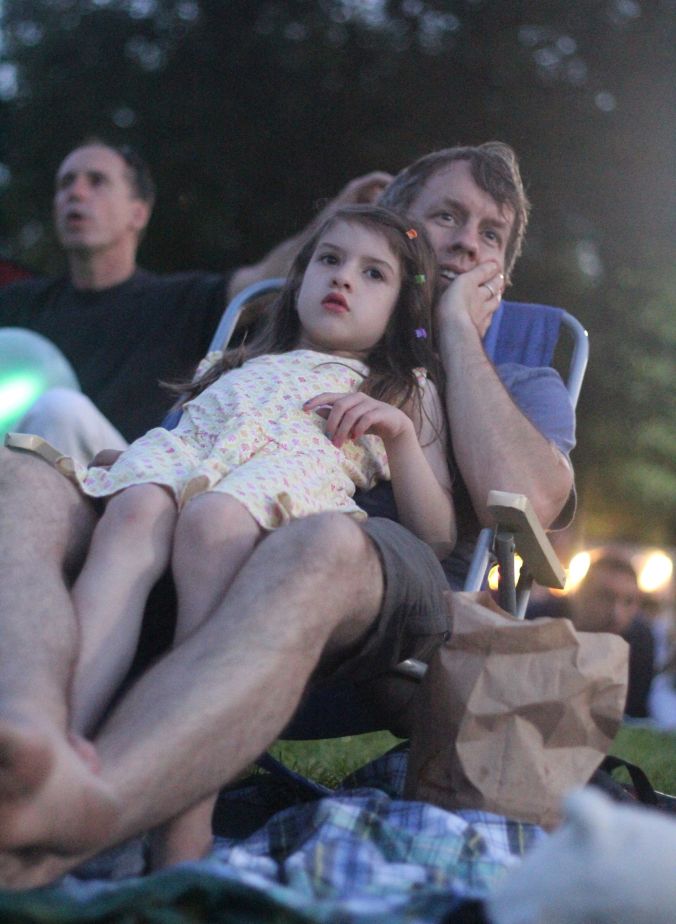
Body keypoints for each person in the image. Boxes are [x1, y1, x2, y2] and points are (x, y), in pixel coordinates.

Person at [0, 142, 575, 887]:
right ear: (393, 223)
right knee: (28, 474)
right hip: (194, 513)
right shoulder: (268, 346)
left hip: (361, 563)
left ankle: (87, 814)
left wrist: (455, 334)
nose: (468, 240)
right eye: (446, 215)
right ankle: (28, 732)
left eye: (490, 234)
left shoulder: (515, 380)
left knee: (314, 541)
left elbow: (524, 503)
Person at [51, 204, 452, 865]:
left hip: (259, 502)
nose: (343, 278)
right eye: (329, 259)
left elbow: (434, 533)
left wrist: (400, 436)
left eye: (373, 273)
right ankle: (60, 739)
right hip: (184, 473)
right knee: (130, 514)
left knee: (214, 522)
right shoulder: (239, 360)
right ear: (299, 277)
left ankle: (185, 814)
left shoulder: (400, 386)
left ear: (402, 311)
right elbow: (180, 442)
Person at [0, 139, 391, 459]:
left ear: (138, 212)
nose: (76, 193)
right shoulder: (19, 304)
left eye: (96, 181)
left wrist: (339, 212)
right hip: (16, 470)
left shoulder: (180, 300)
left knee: (57, 411)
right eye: (65, 183)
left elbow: (266, 280)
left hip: (124, 482)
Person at [528, 552, 655, 718]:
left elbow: (633, 712)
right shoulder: (540, 620)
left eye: (628, 601)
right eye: (605, 597)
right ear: (580, 594)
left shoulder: (639, 640)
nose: (616, 614)